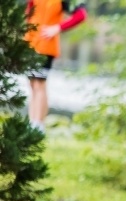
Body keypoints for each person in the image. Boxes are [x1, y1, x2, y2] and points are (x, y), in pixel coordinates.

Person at [24, 0, 88, 133]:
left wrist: (58, 28)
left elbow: (81, 15)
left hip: (45, 45)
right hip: (30, 43)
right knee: (32, 84)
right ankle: (32, 123)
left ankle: (38, 125)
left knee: (39, 84)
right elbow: (29, 11)